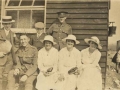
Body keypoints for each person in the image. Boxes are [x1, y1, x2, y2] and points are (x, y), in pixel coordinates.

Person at [0, 16, 18, 90]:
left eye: (9, 24)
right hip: (1, 57)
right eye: (6, 24)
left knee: (6, 76)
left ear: (11, 24)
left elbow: (17, 43)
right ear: (3, 24)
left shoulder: (13, 33)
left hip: (10, 58)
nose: (7, 26)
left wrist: (14, 49)